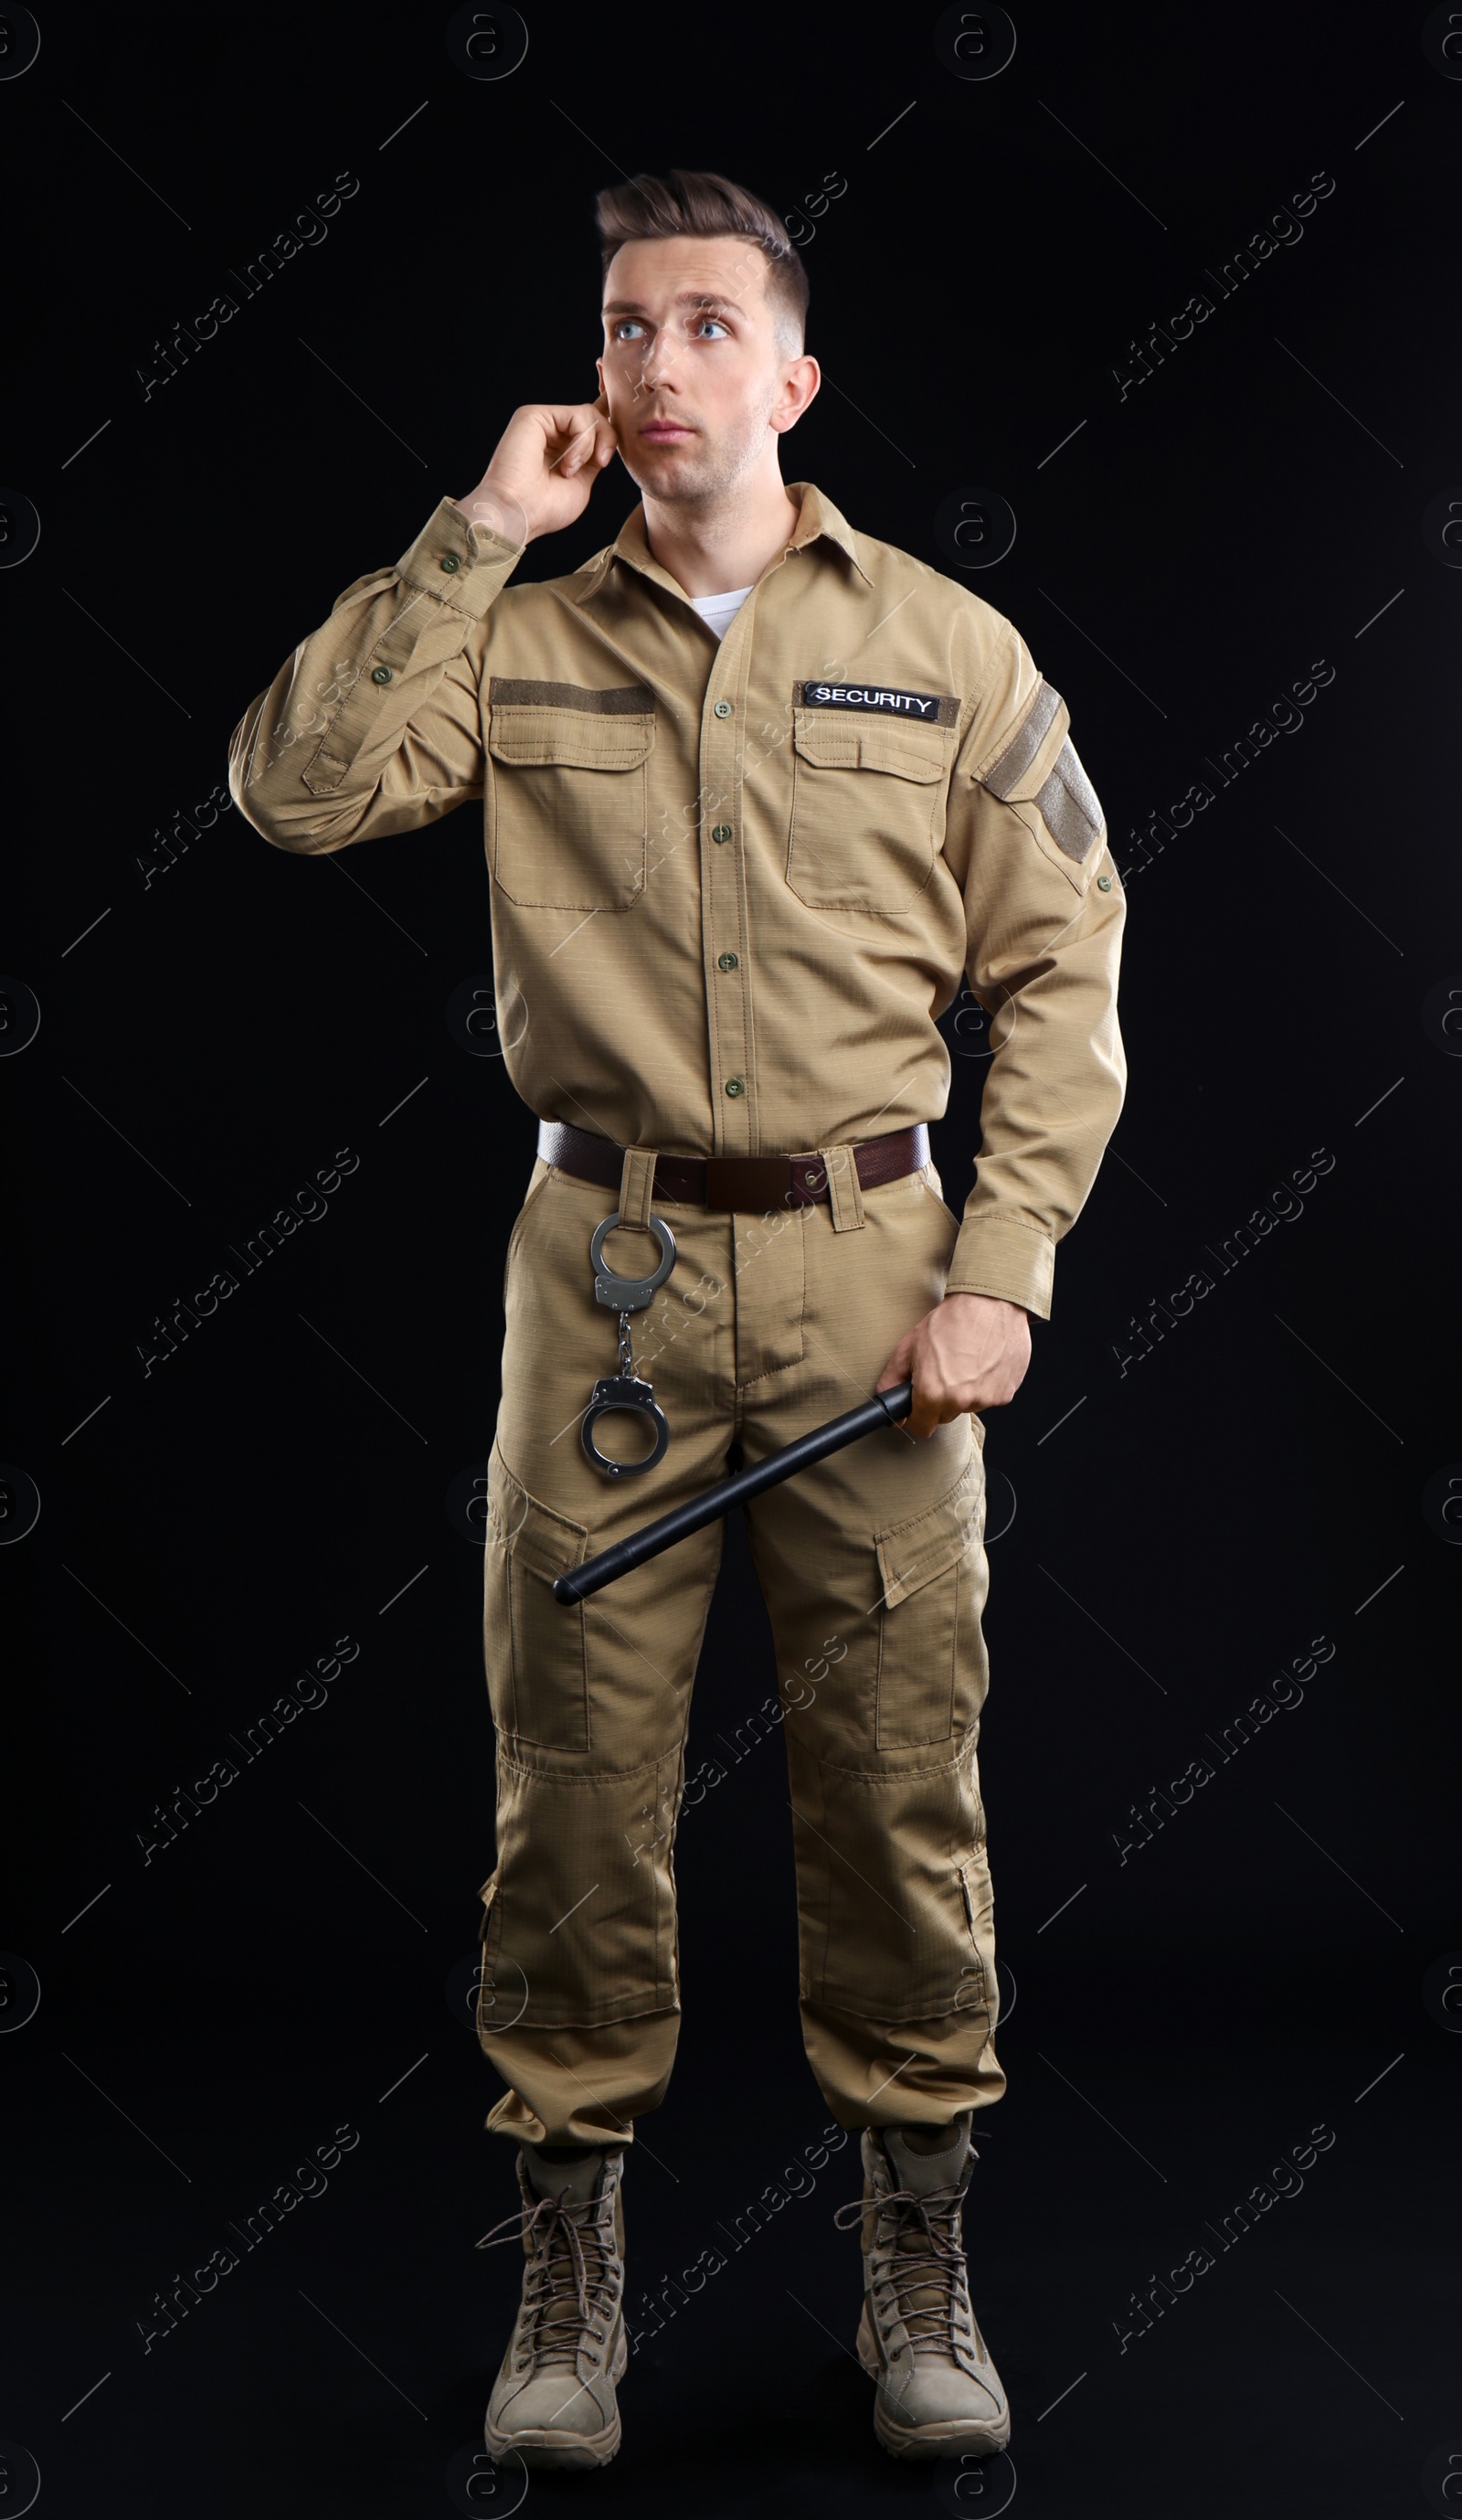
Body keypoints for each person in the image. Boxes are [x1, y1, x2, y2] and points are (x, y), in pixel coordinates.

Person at [228, 167, 1127, 2474]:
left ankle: (912, 2259)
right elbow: (292, 792)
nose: (650, 364)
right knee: (572, 1800)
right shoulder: (518, 635)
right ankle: (566, 2271)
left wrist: (1000, 1268)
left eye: (703, 324)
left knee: (898, 1788)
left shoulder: (942, 647)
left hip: (875, 1285)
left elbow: (1061, 977)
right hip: (601, 1286)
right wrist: (467, 535)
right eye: (623, 326)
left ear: (791, 378)